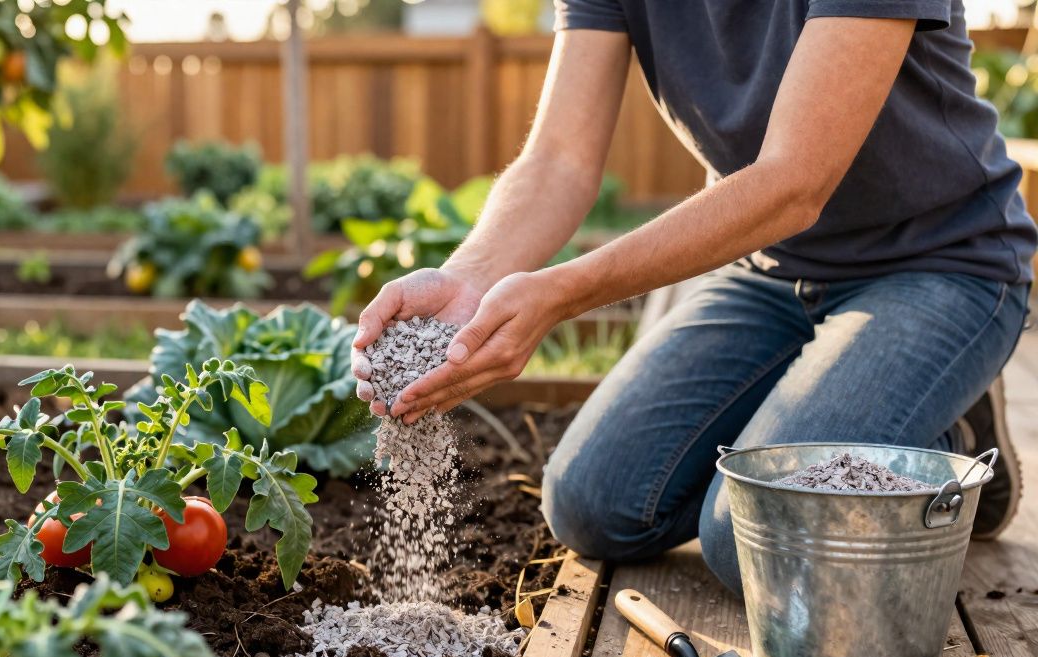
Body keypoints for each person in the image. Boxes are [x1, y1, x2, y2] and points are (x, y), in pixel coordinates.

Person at [350, 0, 1034, 596]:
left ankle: (949, 435)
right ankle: (860, 417)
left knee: (749, 543)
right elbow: (559, 157)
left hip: (941, 263)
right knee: (593, 503)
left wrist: (560, 292)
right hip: (772, 273)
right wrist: (469, 278)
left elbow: (795, 183)